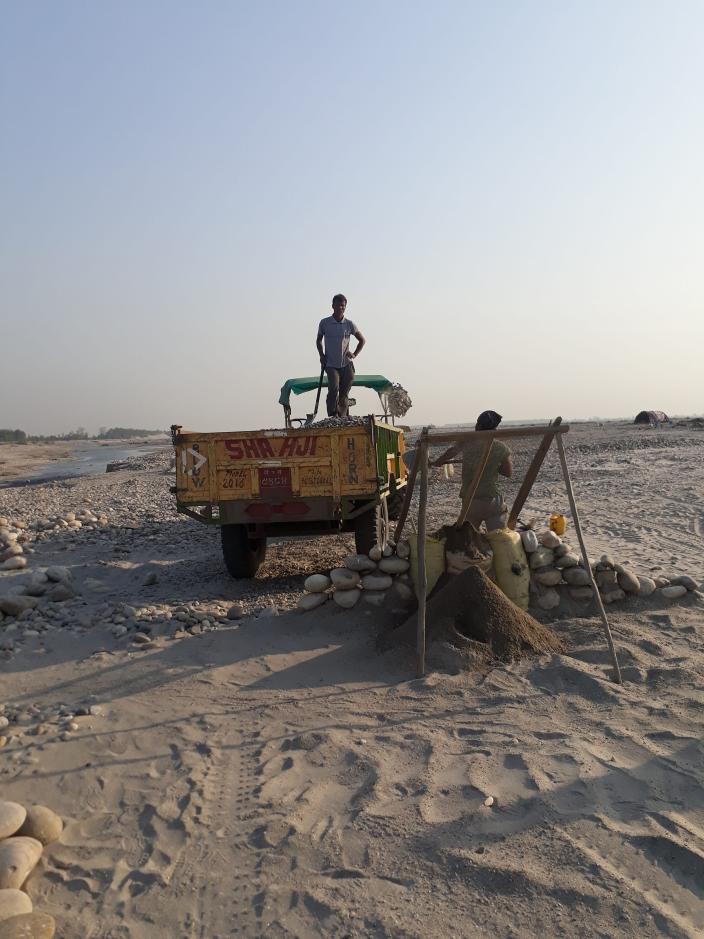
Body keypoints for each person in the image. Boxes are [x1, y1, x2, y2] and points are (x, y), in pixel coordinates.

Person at [433, 410, 513, 531]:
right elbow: (508, 472)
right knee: (499, 538)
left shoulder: (467, 441)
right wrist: (494, 465)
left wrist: (438, 462)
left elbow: (451, 452)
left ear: (478, 425)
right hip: (492, 499)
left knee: (468, 538)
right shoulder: (500, 447)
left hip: (471, 500)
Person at [316, 294, 365, 417]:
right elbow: (318, 340)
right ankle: (332, 414)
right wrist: (321, 355)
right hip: (331, 363)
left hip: (346, 363)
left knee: (344, 391)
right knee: (334, 387)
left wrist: (354, 354)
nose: (340, 308)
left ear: (345, 307)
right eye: (338, 305)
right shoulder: (325, 323)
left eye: (342, 306)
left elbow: (362, 340)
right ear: (333, 306)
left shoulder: (349, 324)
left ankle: (341, 415)